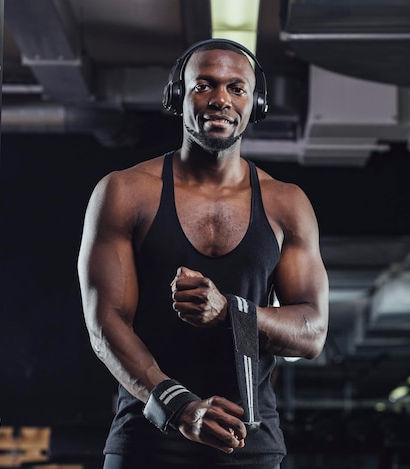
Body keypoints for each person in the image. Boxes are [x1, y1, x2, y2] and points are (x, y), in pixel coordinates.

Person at [77, 38, 329, 469]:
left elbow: (312, 332)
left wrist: (231, 311)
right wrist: (177, 407)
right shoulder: (124, 193)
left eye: (237, 88)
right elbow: (106, 325)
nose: (220, 100)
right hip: (147, 439)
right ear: (179, 96)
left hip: (249, 443)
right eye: (204, 86)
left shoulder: (286, 203)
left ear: (256, 103)